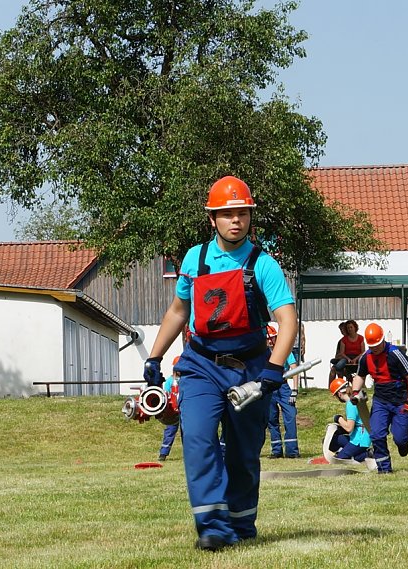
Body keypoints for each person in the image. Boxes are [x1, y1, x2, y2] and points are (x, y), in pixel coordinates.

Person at [143, 175, 297, 551]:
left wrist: (273, 370)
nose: (235, 221)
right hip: (200, 364)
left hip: (248, 366)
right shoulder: (194, 259)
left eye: (241, 213)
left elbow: (288, 320)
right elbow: (179, 311)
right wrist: (154, 356)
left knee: (244, 453)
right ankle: (212, 526)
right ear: (212, 218)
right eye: (227, 214)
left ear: (249, 217)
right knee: (197, 438)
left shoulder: (264, 265)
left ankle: (241, 524)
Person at [350, 323, 408, 474]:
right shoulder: (365, 358)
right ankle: (384, 469)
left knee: (400, 438)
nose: (375, 349)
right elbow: (360, 375)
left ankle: (403, 443)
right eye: (372, 346)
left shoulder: (395, 354)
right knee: (376, 434)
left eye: (377, 345)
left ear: (382, 341)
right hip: (381, 400)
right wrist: (355, 392)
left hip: (401, 400)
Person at [323, 377, 375, 470]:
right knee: (333, 439)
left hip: (360, 440)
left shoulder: (351, 404)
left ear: (339, 394)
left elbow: (349, 428)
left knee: (339, 459)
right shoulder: (354, 401)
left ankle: (367, 454)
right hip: (359, 436)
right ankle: (352, 452)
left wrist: (338, 419)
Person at [265, 324, 300, 459]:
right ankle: (276, 451)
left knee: (290, 416)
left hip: (283, 386)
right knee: (271, 419)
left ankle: (292, 451)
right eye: (268, 339)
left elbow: (294, 368)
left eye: (271, 338)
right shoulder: (263, 353)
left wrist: (295, 390)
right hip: (269, 388)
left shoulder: (284, 350)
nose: (269, 341)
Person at [157, 356, 183, 461]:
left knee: (187, 432)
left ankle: (189, 453)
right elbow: (166, 394)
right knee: (170, 431)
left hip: (185, 410)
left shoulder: (188, 380)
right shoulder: (169, 381)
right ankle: (163, 454)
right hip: (173, 411)